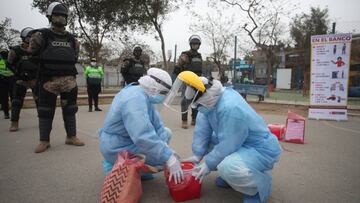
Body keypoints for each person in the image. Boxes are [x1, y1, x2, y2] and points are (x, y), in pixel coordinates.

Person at [165, 71, 282, 203]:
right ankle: (233, 177)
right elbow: (202, 130)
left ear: (203, 98)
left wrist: (208, 164)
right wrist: (198, 154)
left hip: (259, 149)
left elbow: (229, 144)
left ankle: (259, 185)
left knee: (228, 167)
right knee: (210, 145)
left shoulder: (230, 107)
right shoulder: (209, 100)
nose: (196, 107)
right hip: (240, 143)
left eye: (197, 104)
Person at [99, 68, 184, 184]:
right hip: (116, 146)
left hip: (127, 140)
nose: (164, 97)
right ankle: (117, 168)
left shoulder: (144, 94)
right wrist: (167, 156)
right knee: (160, 160)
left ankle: (137, 171)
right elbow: (142, 135)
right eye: (164, 93)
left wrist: (167, 150)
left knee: (166, 133)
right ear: (154, 88)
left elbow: (157, 124)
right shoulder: (134, 99)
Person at [27, 2, 84, 153]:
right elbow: (31, 54)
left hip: (69, 80)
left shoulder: (72, 39)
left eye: (63, 16)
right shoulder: (41, 35)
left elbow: (75, 56)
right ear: (50, 17)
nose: (60, 18)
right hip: (48, 80)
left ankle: (71, 137)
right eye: (56, 15)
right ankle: (44, 141)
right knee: (46, 110)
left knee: (70, 108)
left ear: (66, 19)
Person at [7, 27, 39, 131]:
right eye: (29, 38)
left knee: (40, 101)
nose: (31, 40)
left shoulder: (37, 51)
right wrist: (17, 73)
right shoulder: (16, 50)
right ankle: (14, 123)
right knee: (16, 102)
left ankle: (42, 121)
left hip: (34, 79)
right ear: (24, 38)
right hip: (20, 80)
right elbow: (9, 64)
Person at [173, 35, 203, 129]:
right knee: (185, 101)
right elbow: (177, 68)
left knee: (196, 101)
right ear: (190, 44)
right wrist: (180, 67)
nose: (195, 45)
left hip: (197, 80)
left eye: (196, 44)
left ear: (199, 45)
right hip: (187, 81)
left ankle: (194, 119)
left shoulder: (199, 56)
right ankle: (184, 121)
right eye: (193, 44)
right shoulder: (185, 55)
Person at [0, 49, 14, 119]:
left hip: (3, 81)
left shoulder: (1, 61)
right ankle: (10, 113)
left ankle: (6, 114)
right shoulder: (10, 61)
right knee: (12, 97)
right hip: (9, 81)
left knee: (4, 98)